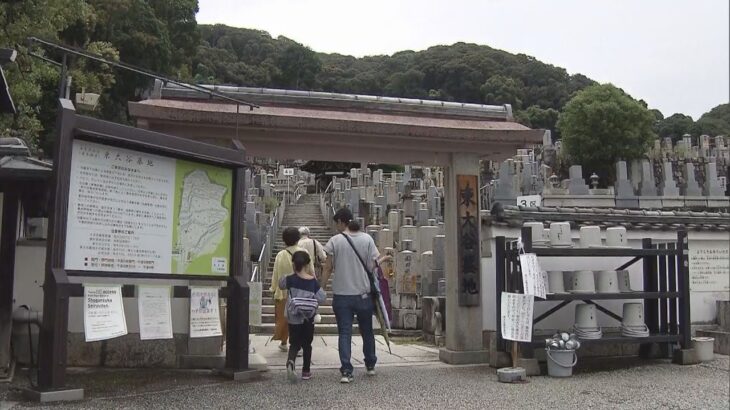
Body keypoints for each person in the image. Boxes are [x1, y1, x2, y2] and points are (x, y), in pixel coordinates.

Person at [320, 208, 379, 383]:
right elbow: (372, 266)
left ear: (341, 222)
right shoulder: (367, 239)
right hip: (363, 294)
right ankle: (370, 365)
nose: (336, 226)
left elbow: (328, 267)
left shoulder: (335, 241)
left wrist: (321, 288)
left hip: (342, 295)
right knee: (367, 331)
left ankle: (346, 370)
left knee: (344, 332)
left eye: (337, 223)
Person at [279, 251, 326, 383]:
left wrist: (290, 273)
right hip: (309, 318)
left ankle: (290, 362)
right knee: (307, 344)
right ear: (307, 264)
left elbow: (280, 284)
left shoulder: (290, 279)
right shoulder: (313, 282)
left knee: (294, 343)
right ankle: (306, 371)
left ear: (294, 264)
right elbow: (322, 298)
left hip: (293, 316)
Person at [270, 227, 303, 352]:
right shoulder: (303, 253)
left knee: (283, 319)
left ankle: (284, 342)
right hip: (300, 291)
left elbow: (276, 273)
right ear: (298, 239)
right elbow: (310, 271)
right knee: (299, 319)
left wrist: (273, 288)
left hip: (283, 292)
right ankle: (297, 345)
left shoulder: (281, 255)